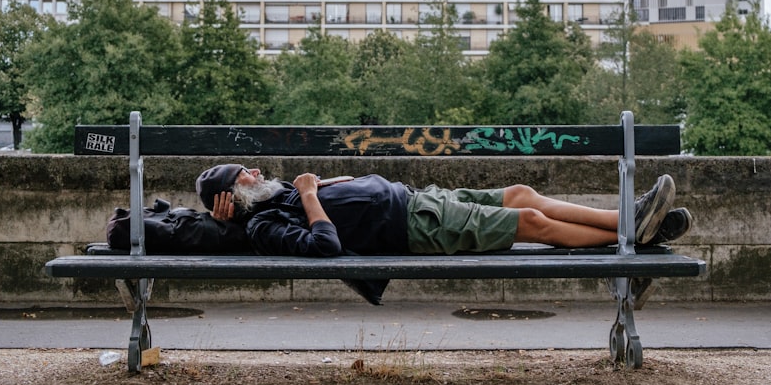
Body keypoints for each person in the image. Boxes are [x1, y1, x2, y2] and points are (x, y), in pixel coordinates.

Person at [196, 165, 691, 259]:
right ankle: (635, 234)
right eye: (243, 175)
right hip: (415, 227)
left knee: (520, 193)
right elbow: (325, 245)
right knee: (529, 225)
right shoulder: (263, 222)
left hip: (418, 198)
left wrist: (309, 189)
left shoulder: (274, 198)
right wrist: (309, 193)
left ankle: (632, 219)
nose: (256, 173)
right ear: (229, 197)